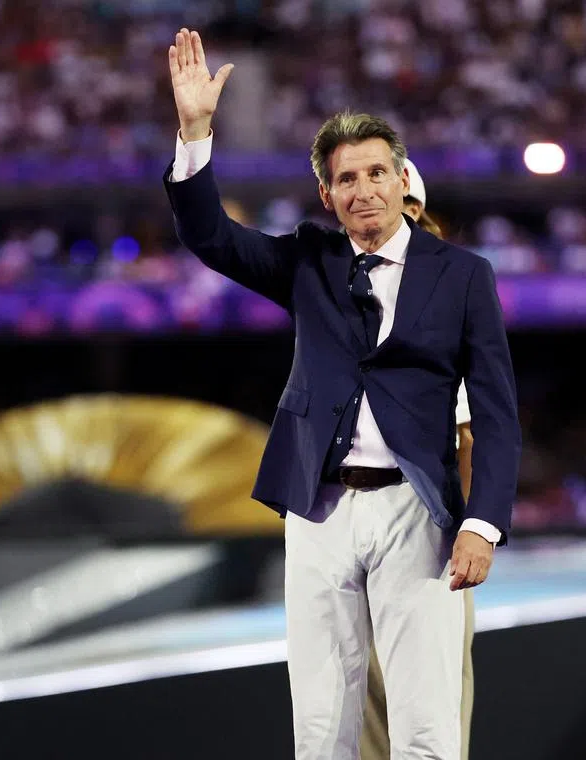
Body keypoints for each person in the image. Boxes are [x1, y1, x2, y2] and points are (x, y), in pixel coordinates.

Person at [164, 30, 520, 759]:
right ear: (327, 195)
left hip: (415, 511)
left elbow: (496, 411)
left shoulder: (463, 275)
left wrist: (483, 525)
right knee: (321, 724)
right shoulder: (308, 261)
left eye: (376, 173)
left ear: (400, 179)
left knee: (427, 724)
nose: (364, 190)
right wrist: (195, 131)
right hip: (320, 505)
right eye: (347, 179)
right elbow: (209, 237)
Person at [359, 158, 476, 760]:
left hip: (426, 532)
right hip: (366, 526)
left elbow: (468, 436)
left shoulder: (442, 305)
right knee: (374, 707)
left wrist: (466, 530)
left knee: (427, 708)